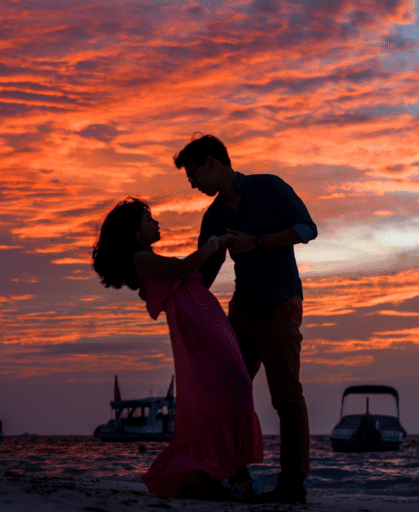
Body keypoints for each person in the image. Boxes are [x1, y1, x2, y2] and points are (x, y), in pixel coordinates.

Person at [173, 134, 317, 504]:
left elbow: (306, 229)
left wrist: (256, 241)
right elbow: (205, 272)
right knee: (225, 391)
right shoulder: (214, 216)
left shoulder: (268, 187)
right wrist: (174, 297)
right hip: (242, 309)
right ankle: (237, 479)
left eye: (193, 174)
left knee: (286, 396)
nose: (191, 183)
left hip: (281, 303)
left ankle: (292, 486)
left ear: (212, 163)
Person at [92, 197, 263, 501]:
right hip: (197, 329)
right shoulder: (140, 259)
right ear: (135, 232)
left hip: (204, 322)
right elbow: (186, 265)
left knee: (233, 389)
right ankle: (234, 478)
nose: (155, 224)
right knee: (232, 388)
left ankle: (228, 476)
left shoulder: (147, 258)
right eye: (148, 220)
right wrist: (217, 241)